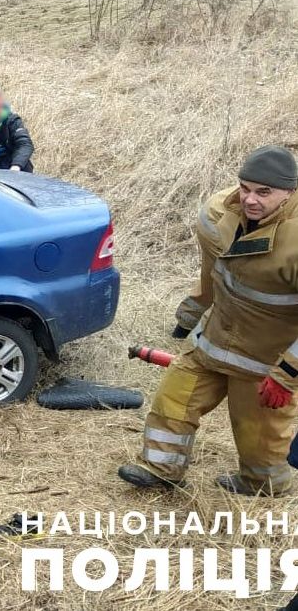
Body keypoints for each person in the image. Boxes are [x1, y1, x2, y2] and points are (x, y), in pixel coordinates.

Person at [119, 145, 298, 496]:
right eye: (245, 188)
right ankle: (161, 468)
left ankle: (262, 486)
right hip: (213, 344)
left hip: (264, 364)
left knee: (258, 439)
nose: (250, 200)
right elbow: (210, 276)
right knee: (175, 396)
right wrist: (189, 315)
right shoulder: (219, 214)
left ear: (290, 192)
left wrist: (288, 373)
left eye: (264, 192)